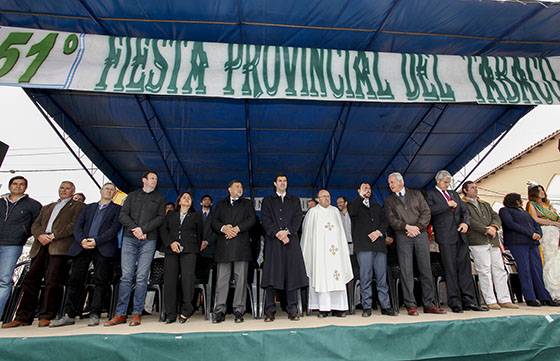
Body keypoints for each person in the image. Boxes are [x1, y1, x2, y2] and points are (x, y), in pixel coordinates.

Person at [3, 181, 84, 328]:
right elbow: (35, 224)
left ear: (73, 191)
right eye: (62, 188)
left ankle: (46, 315)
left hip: (59, 246)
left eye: (67, 188)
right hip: (40, 245)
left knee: (52, 281)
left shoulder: (78, 207)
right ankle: (22, 317)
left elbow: (74, 225)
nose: (64, 190)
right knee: (30, 280)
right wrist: (40, 235)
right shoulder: (48, 207)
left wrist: (54, 235)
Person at [51, 182, 122, 327]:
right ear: (101, 191)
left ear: (114, 193)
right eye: (106, 189)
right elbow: (78, 226)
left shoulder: (118, 209)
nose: (109, 191)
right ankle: (69, 314)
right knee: (75, 280)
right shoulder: (88, 207)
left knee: (100, 280)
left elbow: (114, 229)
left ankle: (94, 313)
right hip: (82, 246)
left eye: (111, 190)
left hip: (103, 247)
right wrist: (82, 239)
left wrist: (96, 241)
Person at [105, 171, 166, 327]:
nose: (155, 180)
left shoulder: (159, 198)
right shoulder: (132, 196)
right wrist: (135, 229)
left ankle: (137, 313)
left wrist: (143, 230)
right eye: (152, 178)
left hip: (148, 240)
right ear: (144, 180)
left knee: (141, 277)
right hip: (129, 239)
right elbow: (123, 215)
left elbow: (160, 218)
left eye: (156, 179)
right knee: (126, 276)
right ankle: (120, 314)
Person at [384, 173, 446, 316]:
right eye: (389, 183)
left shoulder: (417, 194)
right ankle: (410, 304)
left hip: (420, 235)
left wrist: (417, 227)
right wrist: (407, 227)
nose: (390, 185)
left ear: (401, 182)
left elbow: (426, 212)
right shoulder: (389, 200)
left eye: (392, 182)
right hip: (402, 236)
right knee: (406, 270)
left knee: (426, 268)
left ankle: (429, 304)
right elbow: (391, 220)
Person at [425, 171, 486, 313]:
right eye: (445, 182)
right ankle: (455, 302)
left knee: (465, 269)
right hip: (445, 237)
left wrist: (466, 223)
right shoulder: (431, 194)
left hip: (461, 236)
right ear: (438, 181)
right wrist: (447, 205)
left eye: (449, 182)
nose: (448, 184)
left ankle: (469, 301)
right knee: (450, 269)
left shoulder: (454, 194)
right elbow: (429, 211)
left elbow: (465, 211)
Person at [461, 181, 517, 309]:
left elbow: (495, 216)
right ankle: (490, 300)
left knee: (499, 270)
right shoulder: (463, 205)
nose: (475, 189)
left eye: (476, 187)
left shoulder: (485, 203)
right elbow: (468, 220)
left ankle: (504, 299)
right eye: (472, 188)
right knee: (484, 270)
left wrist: (494, 226)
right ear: (465, 190)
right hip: (477, 241)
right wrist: (485, 229)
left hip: (493, 241)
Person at [260, 174, 307, 322]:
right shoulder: (267, 201)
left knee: (292, 275)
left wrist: (287, 232)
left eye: (285, 181)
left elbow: (298, 218)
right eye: (279, 181)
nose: (282, 183)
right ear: (275, 183)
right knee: (272, 277)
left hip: (290, 242)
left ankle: (292, 310)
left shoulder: (294, 200)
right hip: (273, 243)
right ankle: (270, 311)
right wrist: (277, 233)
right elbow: (265, 219)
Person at [499, 193, 559, 307]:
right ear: (515, 200)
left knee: (537, 270)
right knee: (525, 270)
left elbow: (534, 223)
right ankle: (530, 297)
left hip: (532, 243)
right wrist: (531, 233)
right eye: (519, 199)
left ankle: (544, 297)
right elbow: (511, 225)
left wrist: (539, 234)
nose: (521, 201)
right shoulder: (505, 211)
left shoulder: (524, 211)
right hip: (518, 243)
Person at [301, 189, 352, 317]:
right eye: (323, 196)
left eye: (328, 196)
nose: (326, 198)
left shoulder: (335, 211)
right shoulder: (313, 212)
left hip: (335, 254)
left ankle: (339, 308)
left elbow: (341, 233)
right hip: (320, 255)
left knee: (337, 279)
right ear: (318, 199)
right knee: (322, 279)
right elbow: (307, 235)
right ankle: (323, 309)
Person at [211, 180, 256, 323]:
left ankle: (238, 310)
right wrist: (225, 228)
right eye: (237, 186)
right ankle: (219, 311)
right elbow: (214, 221)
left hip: (241, 247)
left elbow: (252, 220)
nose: (240, 188)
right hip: (224, 247)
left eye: (241, 186)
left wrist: (236, 229)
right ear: (229, 189)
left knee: (241, 280)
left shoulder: (247, 203)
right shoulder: (220, 204)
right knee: (222, 281)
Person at [348, 183, 394, 317]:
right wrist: (360, 197)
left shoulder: (377, 205)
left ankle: (385, 306)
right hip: (363, 247)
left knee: (381, 277)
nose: (368, 190)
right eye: (364, 188)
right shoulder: (354, 204)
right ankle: (366, 306)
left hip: (379, 246)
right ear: (359, 191)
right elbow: (352, 212)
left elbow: (385, 221)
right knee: (365, 277)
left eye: (369, 188)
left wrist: (379, 232)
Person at [0, 176, 41, 318]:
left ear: (26, 187)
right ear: (10, 186)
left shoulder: (33, 205)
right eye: (15, 184)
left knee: (4, 280)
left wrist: (22, 235)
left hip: (12, 245)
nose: (18, 187)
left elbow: (37, 225)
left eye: (21, 184)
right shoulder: (1, 201)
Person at [160, 191, 203, 323]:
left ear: (191, 203)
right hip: (171, 250)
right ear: (179, 201)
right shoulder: (170, 215)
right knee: (170, 281)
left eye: (189, 198)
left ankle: (186, 310)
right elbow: (163, 230)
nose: (187, 199)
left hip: (190, 251)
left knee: (188, 280)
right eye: (184, 197)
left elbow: (199, 234)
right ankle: (170, 313)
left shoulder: (196, 216)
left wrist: (193, 247)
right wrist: (171, 243)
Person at [526, 183, 560, 301]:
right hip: (545, 232)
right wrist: (552, 222)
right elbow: (534, 219)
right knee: (548, 259)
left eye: (543, 190)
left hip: (555, 233)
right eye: (539, 190)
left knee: (556, 259)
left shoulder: (548, 205)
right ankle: (550, 291)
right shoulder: (532, 204)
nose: (542, 192)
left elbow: (556, 217)